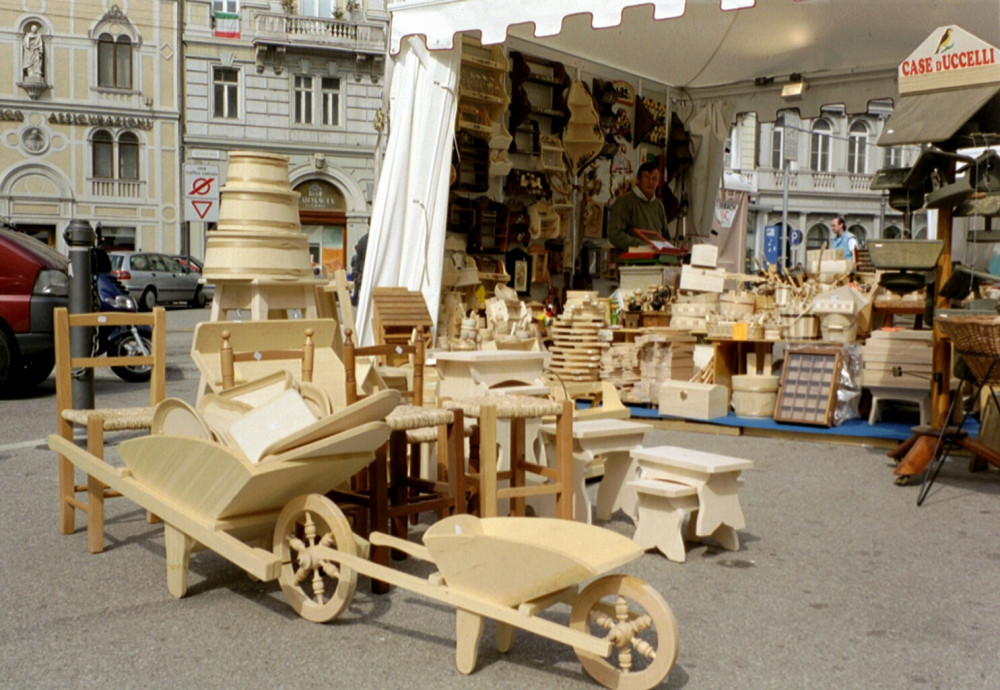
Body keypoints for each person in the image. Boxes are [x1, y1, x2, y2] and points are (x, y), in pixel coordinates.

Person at [607, 162, 668, 251]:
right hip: (632, 258)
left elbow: (666, 237)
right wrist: (643, 246)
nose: (650, 182)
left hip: (656, 257)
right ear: (638, 179)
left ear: (658, 182)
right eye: (647, 178)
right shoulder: (625, 201)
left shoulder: (659, 206)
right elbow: (615, 234)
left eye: (654, 179)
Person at [350, 230, 369, 305]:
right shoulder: (366, 240)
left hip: (359, 272)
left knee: (357, 288)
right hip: (360, 272)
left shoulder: (362, 241)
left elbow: (353, 264)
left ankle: (356, 301)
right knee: (359, 288)